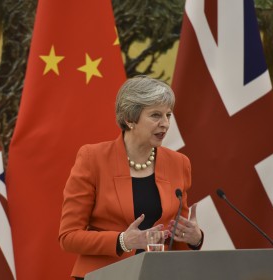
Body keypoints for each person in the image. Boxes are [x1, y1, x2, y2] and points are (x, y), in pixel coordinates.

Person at [58, 76, 204, 279]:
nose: (165, 124)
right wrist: (123, 241)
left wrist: (194, 239)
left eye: (168, 115)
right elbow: (69, 236)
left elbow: (175, 238)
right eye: (155, 115)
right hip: (104, 275)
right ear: (129, 119)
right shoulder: (93, 159)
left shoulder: (179, 163)